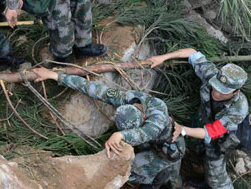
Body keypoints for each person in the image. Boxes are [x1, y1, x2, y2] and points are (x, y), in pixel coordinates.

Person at [32, 67, 185, 189]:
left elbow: (145, 133)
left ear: (144, 117)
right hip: (149, 143)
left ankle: (163, 182)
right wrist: (55, 76)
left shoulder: (157, 115)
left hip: (168, 150)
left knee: (129, 171)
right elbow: (91, 87)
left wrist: (121, 135)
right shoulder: (126, 98)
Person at [148, 48, 249, 189]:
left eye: (223, 92)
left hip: (222, 137)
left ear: (236, 92)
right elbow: (192, 53)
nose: (217, 93)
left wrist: (182, 129)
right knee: (197, 151)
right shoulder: (211, 76)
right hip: (202, 121)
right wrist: (163, 57)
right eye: (215, 87)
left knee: (215, 174)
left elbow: (211, 132)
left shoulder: (238, 108)